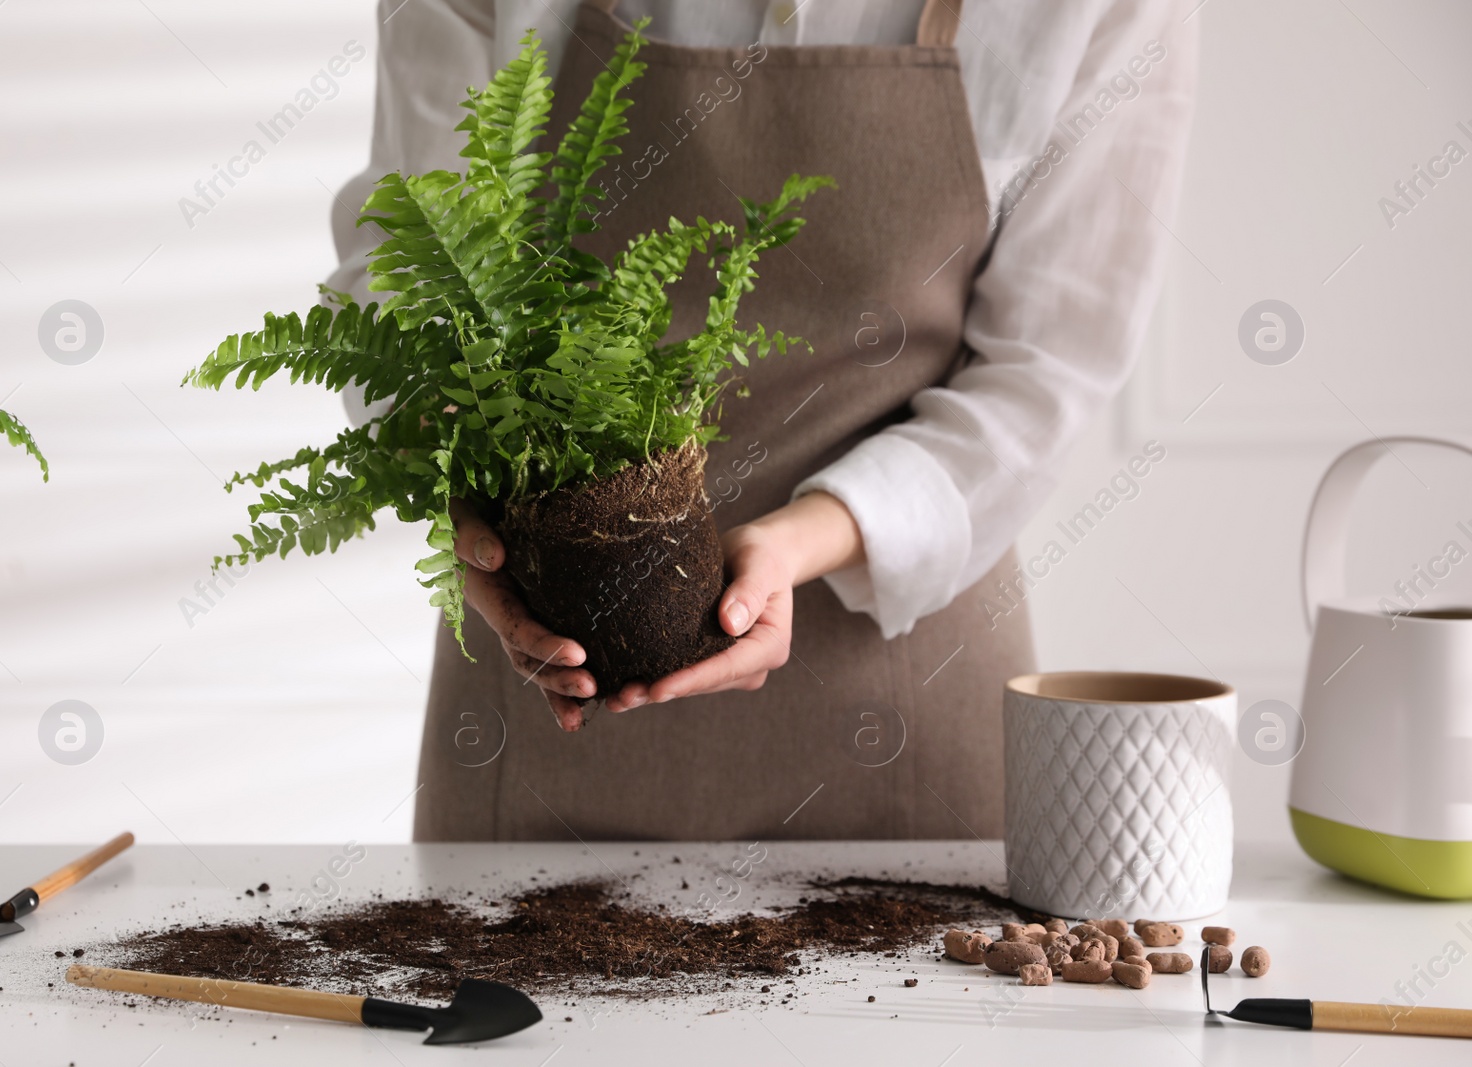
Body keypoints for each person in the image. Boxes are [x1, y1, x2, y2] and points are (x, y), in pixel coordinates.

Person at [328, 0, 1197, 841]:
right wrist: (454, 468)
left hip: (897, 717)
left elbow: (1047, 368)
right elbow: (408, 248)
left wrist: (793, 546)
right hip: (549, 669)